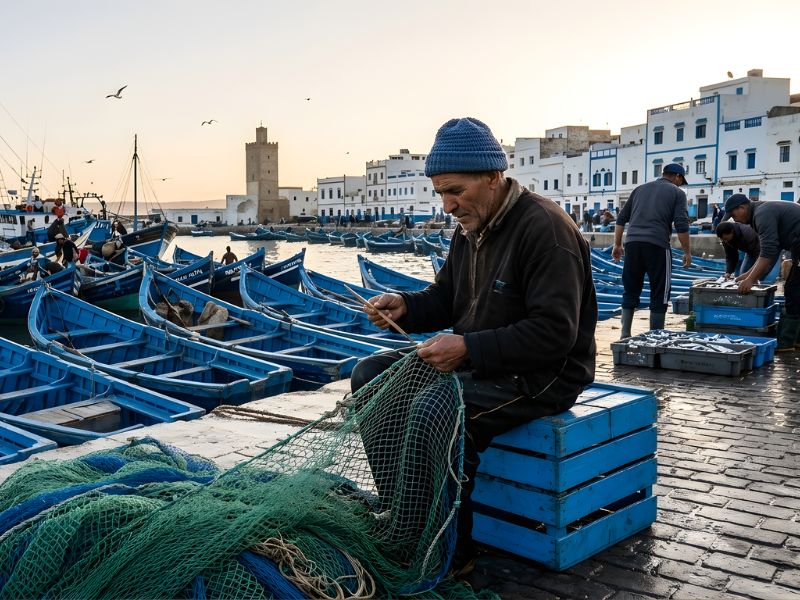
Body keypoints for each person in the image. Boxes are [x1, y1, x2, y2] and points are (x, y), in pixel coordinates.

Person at [349, 117, 598, 574]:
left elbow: (555, 333)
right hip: (484, 360)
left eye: (456, 191)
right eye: (441, 193)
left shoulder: (545, 227)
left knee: (435, 409)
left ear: (492, 177)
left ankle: (450, 551)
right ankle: (407, 520)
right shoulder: (470, 229)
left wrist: (467, 349)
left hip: (547, 373)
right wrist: (405, 306)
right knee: (370, 377)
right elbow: (447, 298)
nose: (448, 205)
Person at [612, 163, 691, 338]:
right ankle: (655, 336)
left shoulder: (639, 189)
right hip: (657, 245)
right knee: (660, 290)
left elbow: (621, 219)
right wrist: (687, 252)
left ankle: (625, 334)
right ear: (677, 177)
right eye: (680, 181)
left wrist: (618, 245)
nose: (680, 184)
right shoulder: (678, 193)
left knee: (630, 288)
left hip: (632, 244)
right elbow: (681, 225)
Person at [725, 193, 800, 350]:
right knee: (795, 291)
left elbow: (768, 251)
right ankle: (795, 339)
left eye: (733, 214)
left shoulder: (762, 214)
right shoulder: (761, 212)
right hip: (796, 246)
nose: (734, 219)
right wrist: (748, 275)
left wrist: (751, 280)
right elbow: (772, 253)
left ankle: (785, 342)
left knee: (793, 292)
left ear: (743, 207)